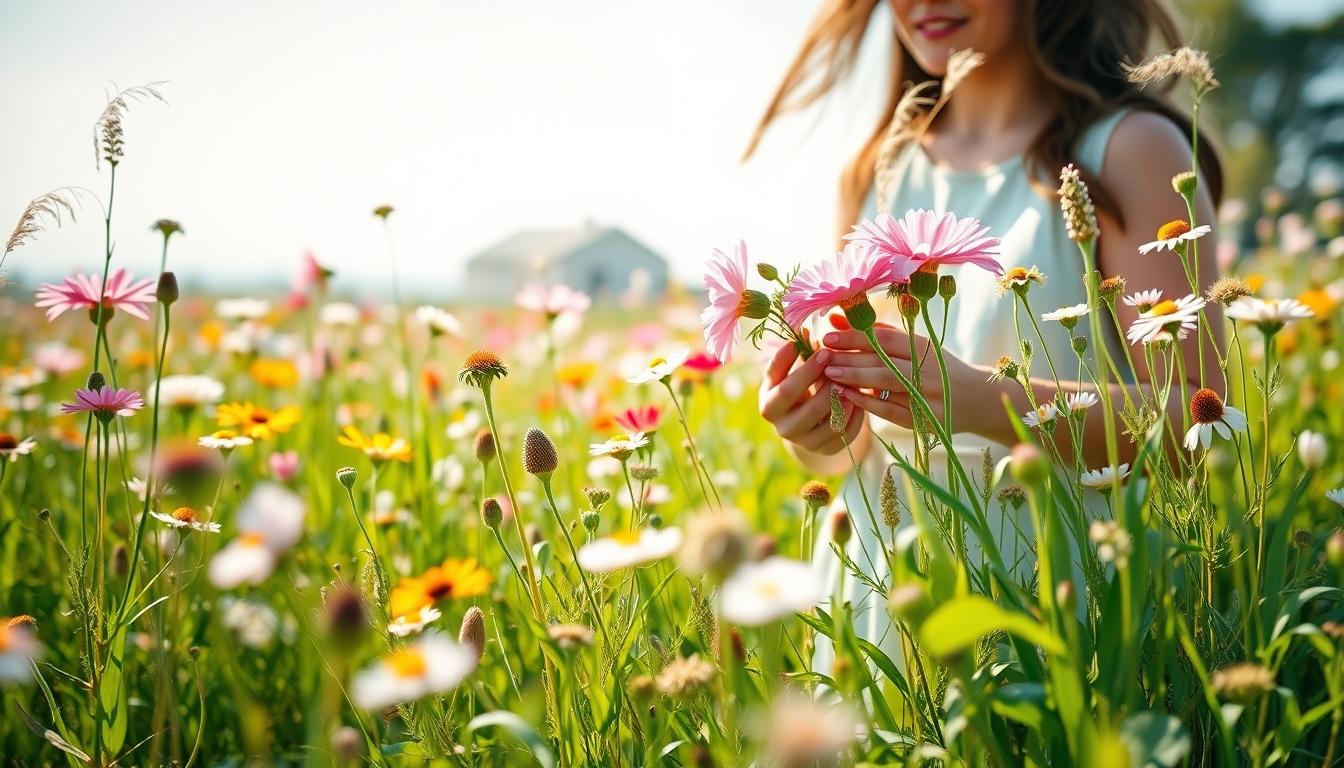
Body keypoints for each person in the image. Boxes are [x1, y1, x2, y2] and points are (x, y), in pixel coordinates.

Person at [746, 0, 1225, 670]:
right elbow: (852, 454)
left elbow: (1201, 420)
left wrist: (981, 401)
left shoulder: (1128, 150)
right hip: (884, 608)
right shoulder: (873, 173)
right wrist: (815, 430)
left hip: (1059, 610)